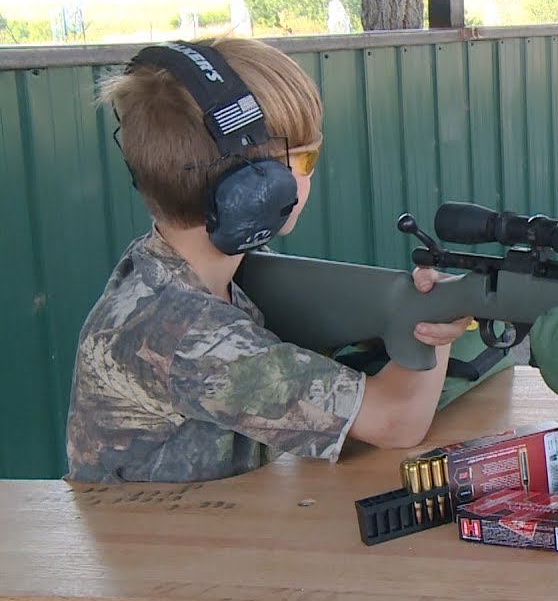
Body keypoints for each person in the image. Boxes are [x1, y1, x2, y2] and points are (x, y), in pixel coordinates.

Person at [65, 36, 472, 484]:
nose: (311, 172)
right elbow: (396, 420)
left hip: (209, 518)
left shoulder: (172, 274)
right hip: (152, 530)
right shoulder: (184, 330)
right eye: (306, 159)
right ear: (256, 186)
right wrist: (439, 314)